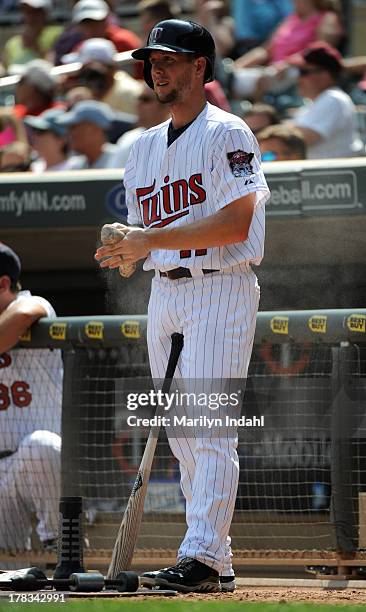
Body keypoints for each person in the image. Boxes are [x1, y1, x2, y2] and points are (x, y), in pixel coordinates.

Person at [95, 19, 270, 593]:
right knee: (181, 433)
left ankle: (198, 554)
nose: (156, 69)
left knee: (207, 426)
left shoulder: (229, 132)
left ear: (200, 67)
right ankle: (212, 560)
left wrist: (147, 240)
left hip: (220, 285)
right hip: (165, 291)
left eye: (169, 59)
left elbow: (237, 221)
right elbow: (149, 233)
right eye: (151, 61)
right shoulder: (141, 147)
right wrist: (127, 252)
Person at [0, 244, 62, 552]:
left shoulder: (34, 304)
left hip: (30, 466)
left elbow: (26, 313)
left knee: (42, 446)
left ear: (3, 284)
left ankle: (61, 541)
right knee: (8, 584)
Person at [230, 0, 344, 100]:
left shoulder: (328, 17)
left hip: (300, 70)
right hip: (276, 69)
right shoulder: (291, 19)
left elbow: (321, 51)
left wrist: (287, 64)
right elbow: (266, 50)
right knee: (232, 79)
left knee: (262, 80)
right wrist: (235, 67)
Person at [290, 41, 363, 158]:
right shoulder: (316, 102)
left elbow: (300, 139)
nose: (298, 78)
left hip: (334, 174)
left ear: (325, 75)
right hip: (321, 173)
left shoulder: (333, 98)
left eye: (304, 72)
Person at [60, 37, 143, 116]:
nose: (87, 80)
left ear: (111, 69)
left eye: (92, 74)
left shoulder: (131, 94)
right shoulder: (86, 95)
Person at [110, 82, 170, 168]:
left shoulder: (179, 138)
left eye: (146, 99)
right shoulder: (128, 138)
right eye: (138, 98)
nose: (138, 104)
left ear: (167, 105)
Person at [56, 99, 118, 168]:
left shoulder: (120, 159)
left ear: (94, 130)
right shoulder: (76, 165)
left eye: (74, 127)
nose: (69, 133)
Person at [2, 0, 63, 70]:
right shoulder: (12, 42)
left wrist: (35, 47)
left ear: (46, 12)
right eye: (26, 11)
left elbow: (56, 64)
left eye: (36, 11)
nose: (31, 16)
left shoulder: (58, 34)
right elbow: (3, 67)